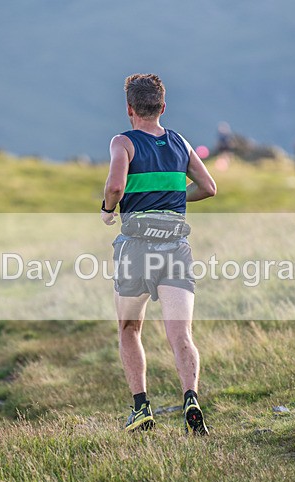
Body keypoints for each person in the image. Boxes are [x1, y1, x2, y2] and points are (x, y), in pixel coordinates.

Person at [101, 74, 217, 434]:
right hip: (176, 249)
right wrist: (178, 197)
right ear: (163, 107)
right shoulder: (180, 143)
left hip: (136, 249)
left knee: (129, 328)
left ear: (130, 109)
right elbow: (209, 187)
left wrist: (108, 209)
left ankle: (142, 407)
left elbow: (116, 185)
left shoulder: (123, 142)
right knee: (181, 334)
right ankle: (191, 398)